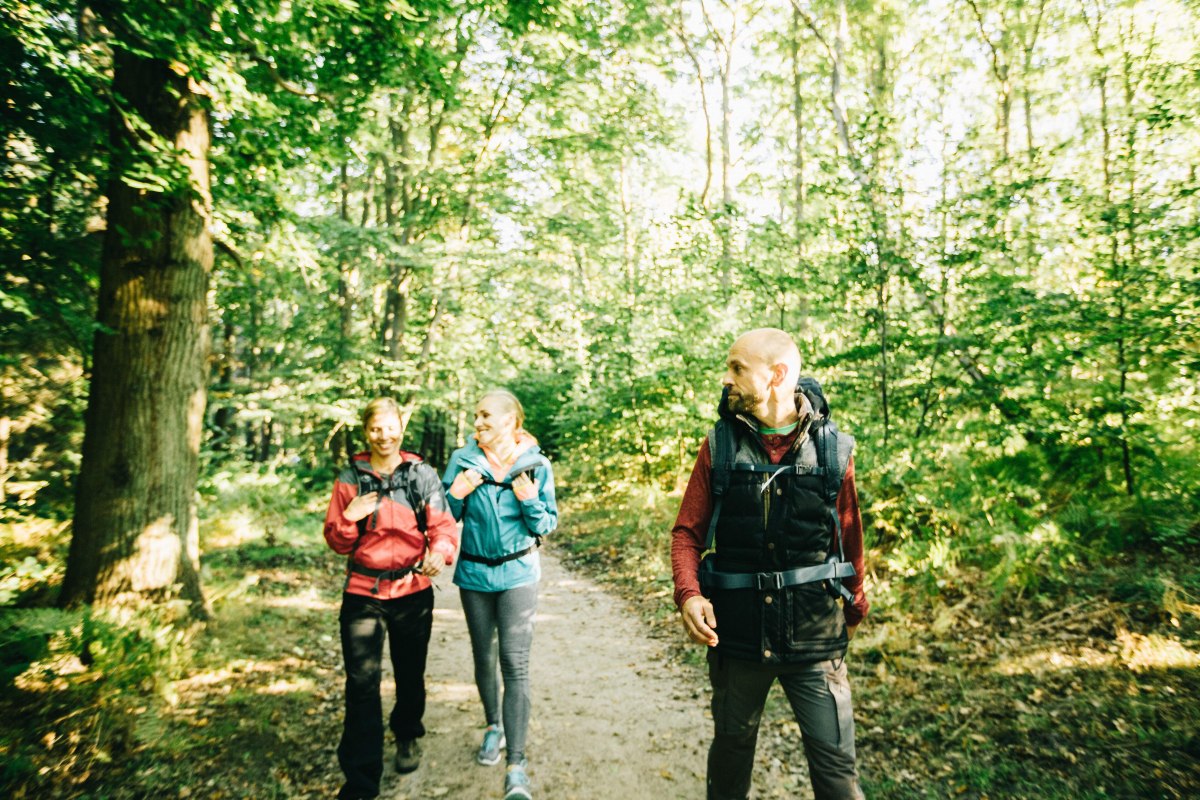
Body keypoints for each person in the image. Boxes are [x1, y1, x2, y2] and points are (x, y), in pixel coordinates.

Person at [671, 329, 870, 800]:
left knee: (838, 775)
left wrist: (854, 610)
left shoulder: (832, 450)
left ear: (777, 374)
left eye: (738, 368)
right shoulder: (719, 447)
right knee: (731, 759)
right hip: (736, 635)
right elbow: (687, 534)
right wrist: (690, 593)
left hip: (815, 638)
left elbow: (850, 540)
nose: (727, 378)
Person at [324, 397, 460, 800]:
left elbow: (443, 526)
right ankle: (362, 779)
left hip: (411, 590)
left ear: (402, 425)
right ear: (366, 432)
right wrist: (350, 518)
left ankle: (406, 733)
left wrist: (439, 553)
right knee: (362, 682)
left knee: (409, 670)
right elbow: (336, 540)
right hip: (363, 592)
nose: (384, 436)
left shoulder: (421, 475)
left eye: (390, 426)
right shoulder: (351, 478)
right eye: (375, 429)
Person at [442, 389, 558, 800]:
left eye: (486, 416)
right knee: (484, 656)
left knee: (515, 662)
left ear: (511, 422)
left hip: (518, 574)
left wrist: (529, 502)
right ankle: (494, 726)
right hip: (473, 573)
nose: (478, 423)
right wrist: (455, 493)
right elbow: (441, 517)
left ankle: (517, 766)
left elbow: (546, 524)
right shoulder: (461, 460)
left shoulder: (536, 465)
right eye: (476, 416)